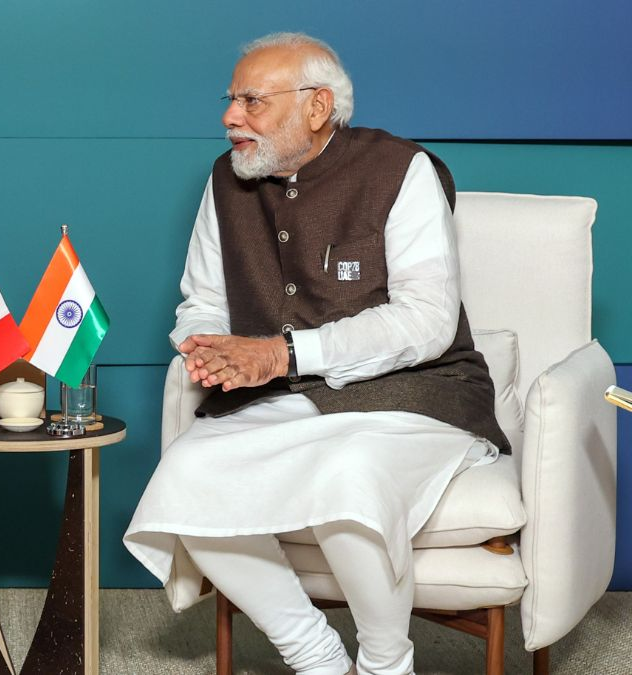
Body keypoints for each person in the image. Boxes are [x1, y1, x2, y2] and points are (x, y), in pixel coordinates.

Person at [123, 33, 509, 675]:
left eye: (252, 100)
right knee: (185, 477)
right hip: (284, 399)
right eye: (231, 100)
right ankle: (317, 657)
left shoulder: (401, 169)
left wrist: (281, 353)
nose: (231, 117)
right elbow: (203, 298)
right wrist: (207, 345)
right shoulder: (225, 179)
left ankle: (386, 664)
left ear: (317, 106)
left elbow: (427, 320)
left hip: (419, 395)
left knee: (349, 477)